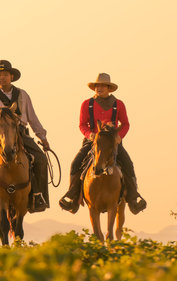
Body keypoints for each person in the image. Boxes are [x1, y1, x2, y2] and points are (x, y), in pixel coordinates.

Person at [0, 60, 50, 214]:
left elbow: (32, 118)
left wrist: (42, 137)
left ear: (11, 76)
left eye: (5, 74)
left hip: (20, 133)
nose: (2, 78)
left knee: (41, 160)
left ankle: (38, 195)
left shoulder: (23, 95)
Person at [58, 73, 147, 214]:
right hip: (92, 142)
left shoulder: (119, 105)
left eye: (103, 86)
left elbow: (125, 124)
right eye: (97, 86)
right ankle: (73, 197)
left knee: (128, 164)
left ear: (109, 88)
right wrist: (90, 135)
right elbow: (82, 125)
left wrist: (119, 136)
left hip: (113, 143)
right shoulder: (87, 104)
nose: (99, 88)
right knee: (75, 163)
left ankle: (133, 198)